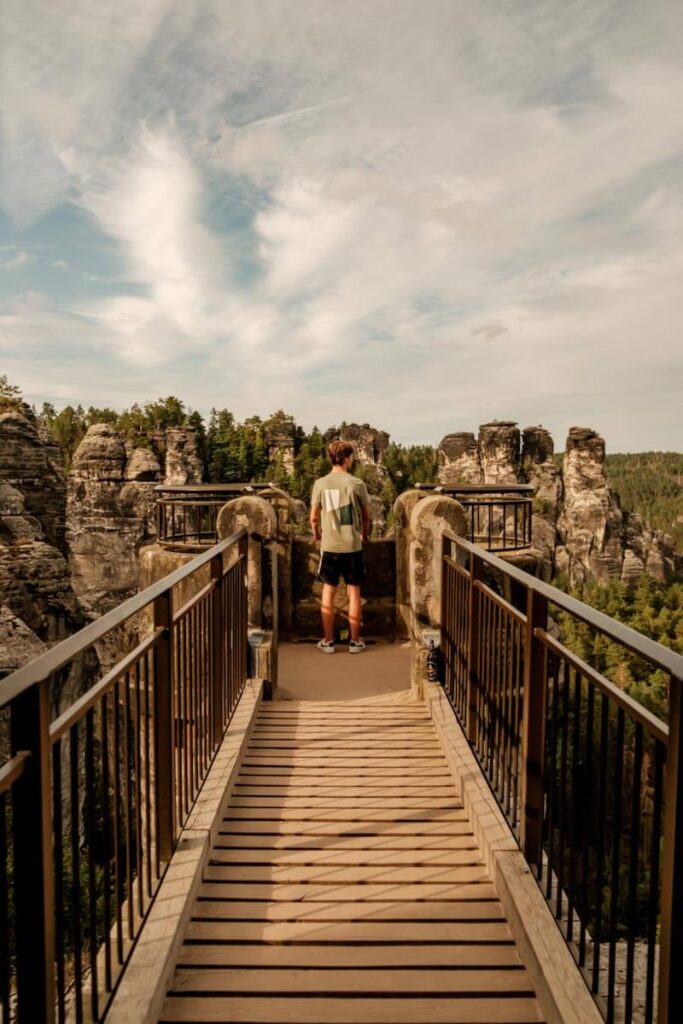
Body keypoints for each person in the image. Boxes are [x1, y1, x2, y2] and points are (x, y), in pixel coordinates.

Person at [310, 440, 372, 654]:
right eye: (351, 457)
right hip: (352, 546)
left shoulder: (320, 483)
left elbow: (313, 518)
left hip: (330, 546)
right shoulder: (357, 484)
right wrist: (364, 535)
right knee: (354, 592)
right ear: (346, 458)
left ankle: (328, 642)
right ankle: (355, 642)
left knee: (328, 593)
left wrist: (318, 535)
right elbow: (366, 516)